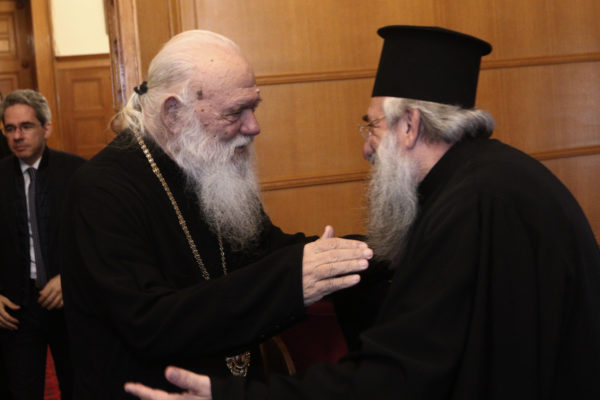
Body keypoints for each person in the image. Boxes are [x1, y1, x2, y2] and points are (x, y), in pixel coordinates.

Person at [124, 25, 600, 400]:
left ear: (409, 125)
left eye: (370, 127)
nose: (367, 149)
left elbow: (394, 380)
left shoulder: (469, 205)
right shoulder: (492, 177)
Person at [59, 30, 373, 399]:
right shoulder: (102, 190)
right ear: (173, 113)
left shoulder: (210, 169)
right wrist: (290, 282)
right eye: (236, 112)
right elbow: (148, 321)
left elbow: (269, 252)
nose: (253, 126)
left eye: (254, 107)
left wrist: (372, 253)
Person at [0, 89, 86, 399]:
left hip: (70, 302)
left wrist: (70, 278)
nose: (17, 136)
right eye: (10, 128)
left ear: (46, 128)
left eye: (26, 126)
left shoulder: (79, 173)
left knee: (79, 387)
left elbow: (97, 241)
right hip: (16, 309)